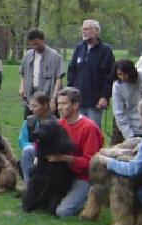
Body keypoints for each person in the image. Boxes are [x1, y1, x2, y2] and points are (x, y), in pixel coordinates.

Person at [42, 87, 104, 217]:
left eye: (64, 104)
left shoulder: (89, 128)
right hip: (61, 173)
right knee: (28, 151)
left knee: (62, 212)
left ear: (75, 105)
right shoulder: (59, 124)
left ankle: (87, 199)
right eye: (58, 103)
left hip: (83, 177)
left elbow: (90, 162)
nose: (59, 107)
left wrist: (64, 158)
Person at [66, 19, 115, 131]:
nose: (84, 32)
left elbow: (109, 76)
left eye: (87, 29)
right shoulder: (79, 48)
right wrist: (69, 93)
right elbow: (71, 71)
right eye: (83, 29)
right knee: (77, 130)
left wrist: (104, 96)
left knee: (92, 130)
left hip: (95, 101)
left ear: (96, 31)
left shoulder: (105, 50)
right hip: (78, 100)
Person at [17, 28, 64, 118]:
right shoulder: (27, 56)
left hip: (47, 95)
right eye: (32, 44)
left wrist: (54, 98)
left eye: (37, 44)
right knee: (29, 122)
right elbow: (23, 73)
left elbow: (58, 78)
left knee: (48, 124)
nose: (35, 47)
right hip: (31, 95)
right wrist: (22, 87)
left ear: (43, 40)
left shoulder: (55, 56)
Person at [16, 92, 56, 182]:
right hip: (31, 152)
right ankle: (29, 185)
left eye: (35, 106)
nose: (31, 109)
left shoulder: (55, 123)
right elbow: (22, 141)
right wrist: (35, 151)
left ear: (45, 106)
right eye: (30, 106)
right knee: (27, 150)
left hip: (49, 154)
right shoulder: (28, 122)